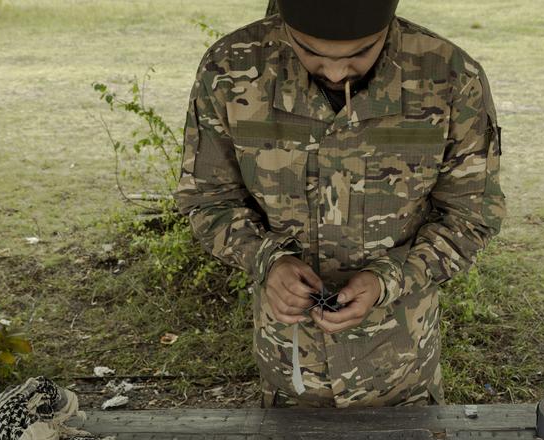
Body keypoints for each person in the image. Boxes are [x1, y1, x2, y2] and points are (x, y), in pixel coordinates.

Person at [175, 0, 505, 408]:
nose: (334, 72)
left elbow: (471, 218)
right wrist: (266, 261)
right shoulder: (230, 70)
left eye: (359, 53)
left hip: (401, 374)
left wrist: (389, 280)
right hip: (289, 373)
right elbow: (208, 199)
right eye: (309, 51)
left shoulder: (450, 77)